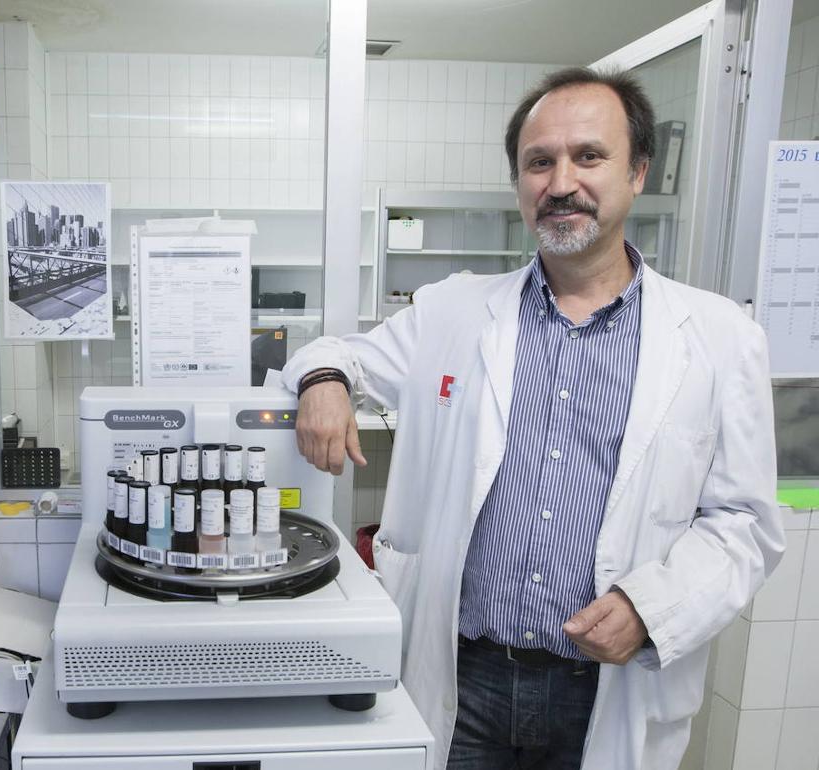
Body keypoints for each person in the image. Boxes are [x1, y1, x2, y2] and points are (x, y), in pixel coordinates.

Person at [283, 67, 782, 770]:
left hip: (608, 686)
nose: (560, 181)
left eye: (589, 156)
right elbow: (337, 354)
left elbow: (747, 525)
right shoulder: (454, 312)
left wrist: (653, 608)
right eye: (538, 162)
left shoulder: (721, 337)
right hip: (464, 676)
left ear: (637, 173)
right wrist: (326, 380)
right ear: (520, 183)